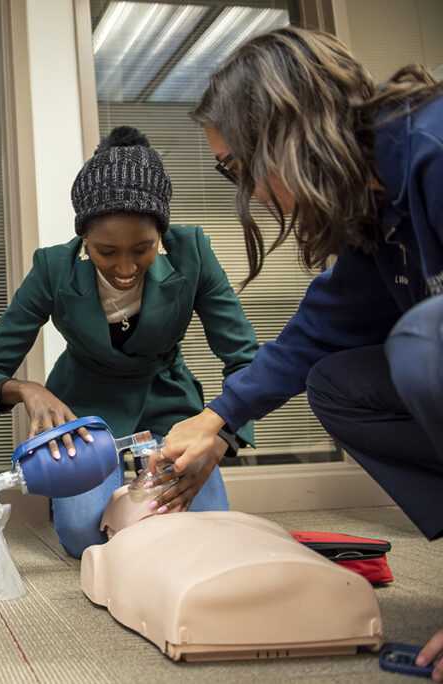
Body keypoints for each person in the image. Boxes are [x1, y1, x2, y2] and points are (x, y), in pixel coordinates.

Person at [155, 26, 443, 680]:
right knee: (339, 383)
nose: (249, 192)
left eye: (236, 166)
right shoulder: (375, 206)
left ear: (286, 134)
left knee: (426, 343)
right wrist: (219, 420)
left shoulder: (432, 149)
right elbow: (317, 331)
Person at [0, 126, 258, 558]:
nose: (125, 267)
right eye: (106, 252)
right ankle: (94, 494)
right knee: (87, 539)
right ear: (84, 237)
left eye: (143, 248)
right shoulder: (52, 269)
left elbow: (244, 358)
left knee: (202, 532)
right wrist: (29, 389)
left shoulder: (192, 251)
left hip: (168, 403)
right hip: (84, 414)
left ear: (161, 233)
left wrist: (219, 438)